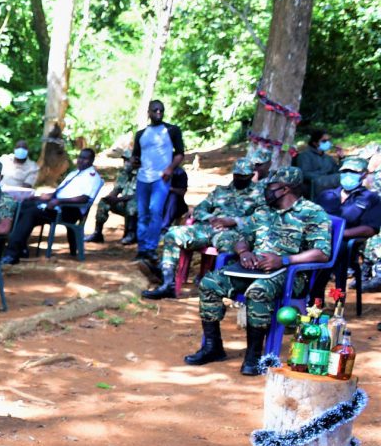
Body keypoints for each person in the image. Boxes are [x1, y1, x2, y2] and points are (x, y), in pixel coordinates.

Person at [191, 167, 332, 375]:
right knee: (209, 283)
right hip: (252, 268)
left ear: (284, 189)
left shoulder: (312, 213)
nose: (265, 191)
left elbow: (322, 253)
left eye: (270, 187)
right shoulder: (262, 211)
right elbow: (241, 237)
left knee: (259, 291)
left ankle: (254, 356)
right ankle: (213, 347)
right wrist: (244, 253)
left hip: (291, 273)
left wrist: (284, 260)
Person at [141, 158, 263, 300]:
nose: (239, 178)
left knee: (232, 249)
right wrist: (210, 218)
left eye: (243, 176)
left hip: (232, 233)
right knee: (173, 234)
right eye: (237, 175)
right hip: (207, 228)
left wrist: (234, 221)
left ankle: (223, 288)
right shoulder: (220, 191)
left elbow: (261, 217)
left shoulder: (259, 194)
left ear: (250, 175)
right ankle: (168, 283)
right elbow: (200, 209)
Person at [0, 148, 104, 265]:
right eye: (80, 157)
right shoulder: (74, 173)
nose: (81, 160)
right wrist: (39, 197)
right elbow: (60, 192)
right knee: (22, 206)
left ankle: (11, 254)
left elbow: (83, 198)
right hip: (57, 205)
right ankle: (21, 248)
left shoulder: (92, 176)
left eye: (85, 158)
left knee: (31, 213)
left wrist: (58, 201)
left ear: (92, 160)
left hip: (70, 210)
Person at [310, 156, 381, 301]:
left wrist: (340, 234)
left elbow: (370, 229)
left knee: (331, 251)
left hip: (346, 242)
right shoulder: (326, 195)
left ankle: (316, 299)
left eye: (353, 172)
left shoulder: (371, 199)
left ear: (364, 174)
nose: (348, 175)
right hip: (317, 238)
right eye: (345, 171)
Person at [132, 100, 185, 264]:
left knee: (155, 212)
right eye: (155, 110)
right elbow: (137, 156)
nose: (158, 113)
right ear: (148, 112)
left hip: (161, 179)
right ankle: (141, 249)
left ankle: (150, 248)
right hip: (142, 178)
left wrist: (170, 168)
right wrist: (133, 161)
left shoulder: (171, 130)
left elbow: (180, 153)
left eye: (161, 110)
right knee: (142, 215)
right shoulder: (141, 134)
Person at [85, 149, 138, 245]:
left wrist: (118, 199)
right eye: (124, 160)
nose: (125, 163)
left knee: (132, 203)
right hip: (123, 203)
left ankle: (131, 234)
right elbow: (117, 190)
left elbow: (138, 195)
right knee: (104, 202)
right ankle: (97, 233)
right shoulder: (124, 173)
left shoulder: (142, 174)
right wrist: (110, 198)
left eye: (128, 160)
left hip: (138, 207)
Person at [293, 128, 343, 198]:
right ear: (315, 143)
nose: (327, 143)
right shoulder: (304, 156)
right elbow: (304, 173)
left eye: (328, 140)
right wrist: (323, 177)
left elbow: (337, 172)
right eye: (324, 141)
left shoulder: (328, 158)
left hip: (328, 186)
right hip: (312, 188)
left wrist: (341, 158)